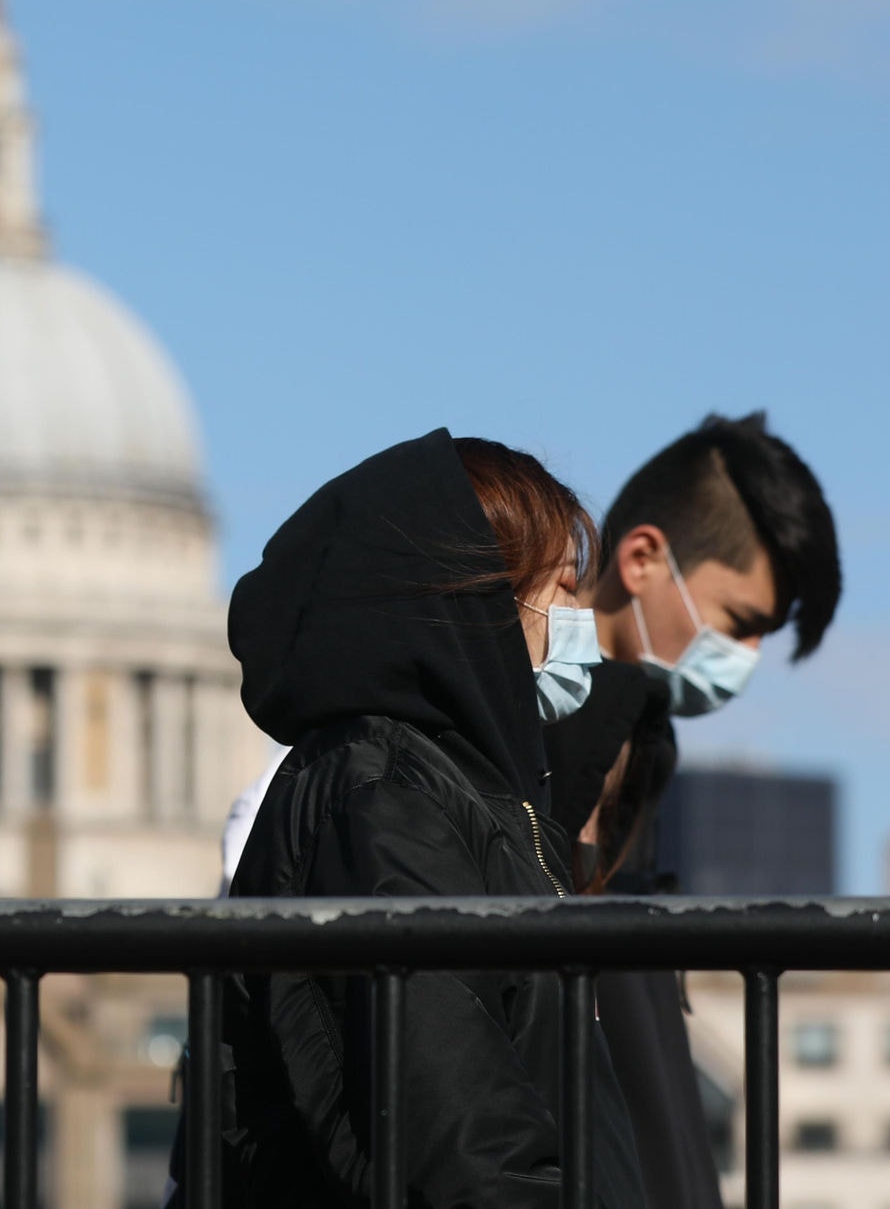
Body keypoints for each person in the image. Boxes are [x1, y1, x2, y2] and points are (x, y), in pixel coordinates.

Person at [169, 428, 646, 1209]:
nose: (580, 614)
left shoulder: (466, 795)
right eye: (561, 585)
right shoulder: (382, 799)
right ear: (477, 595)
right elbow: (459, 1135)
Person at [543, 410, 842, 1209]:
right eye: (738, 624)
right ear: (642, 558)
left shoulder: (640, 749)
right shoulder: (513, 718)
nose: (740, 661)